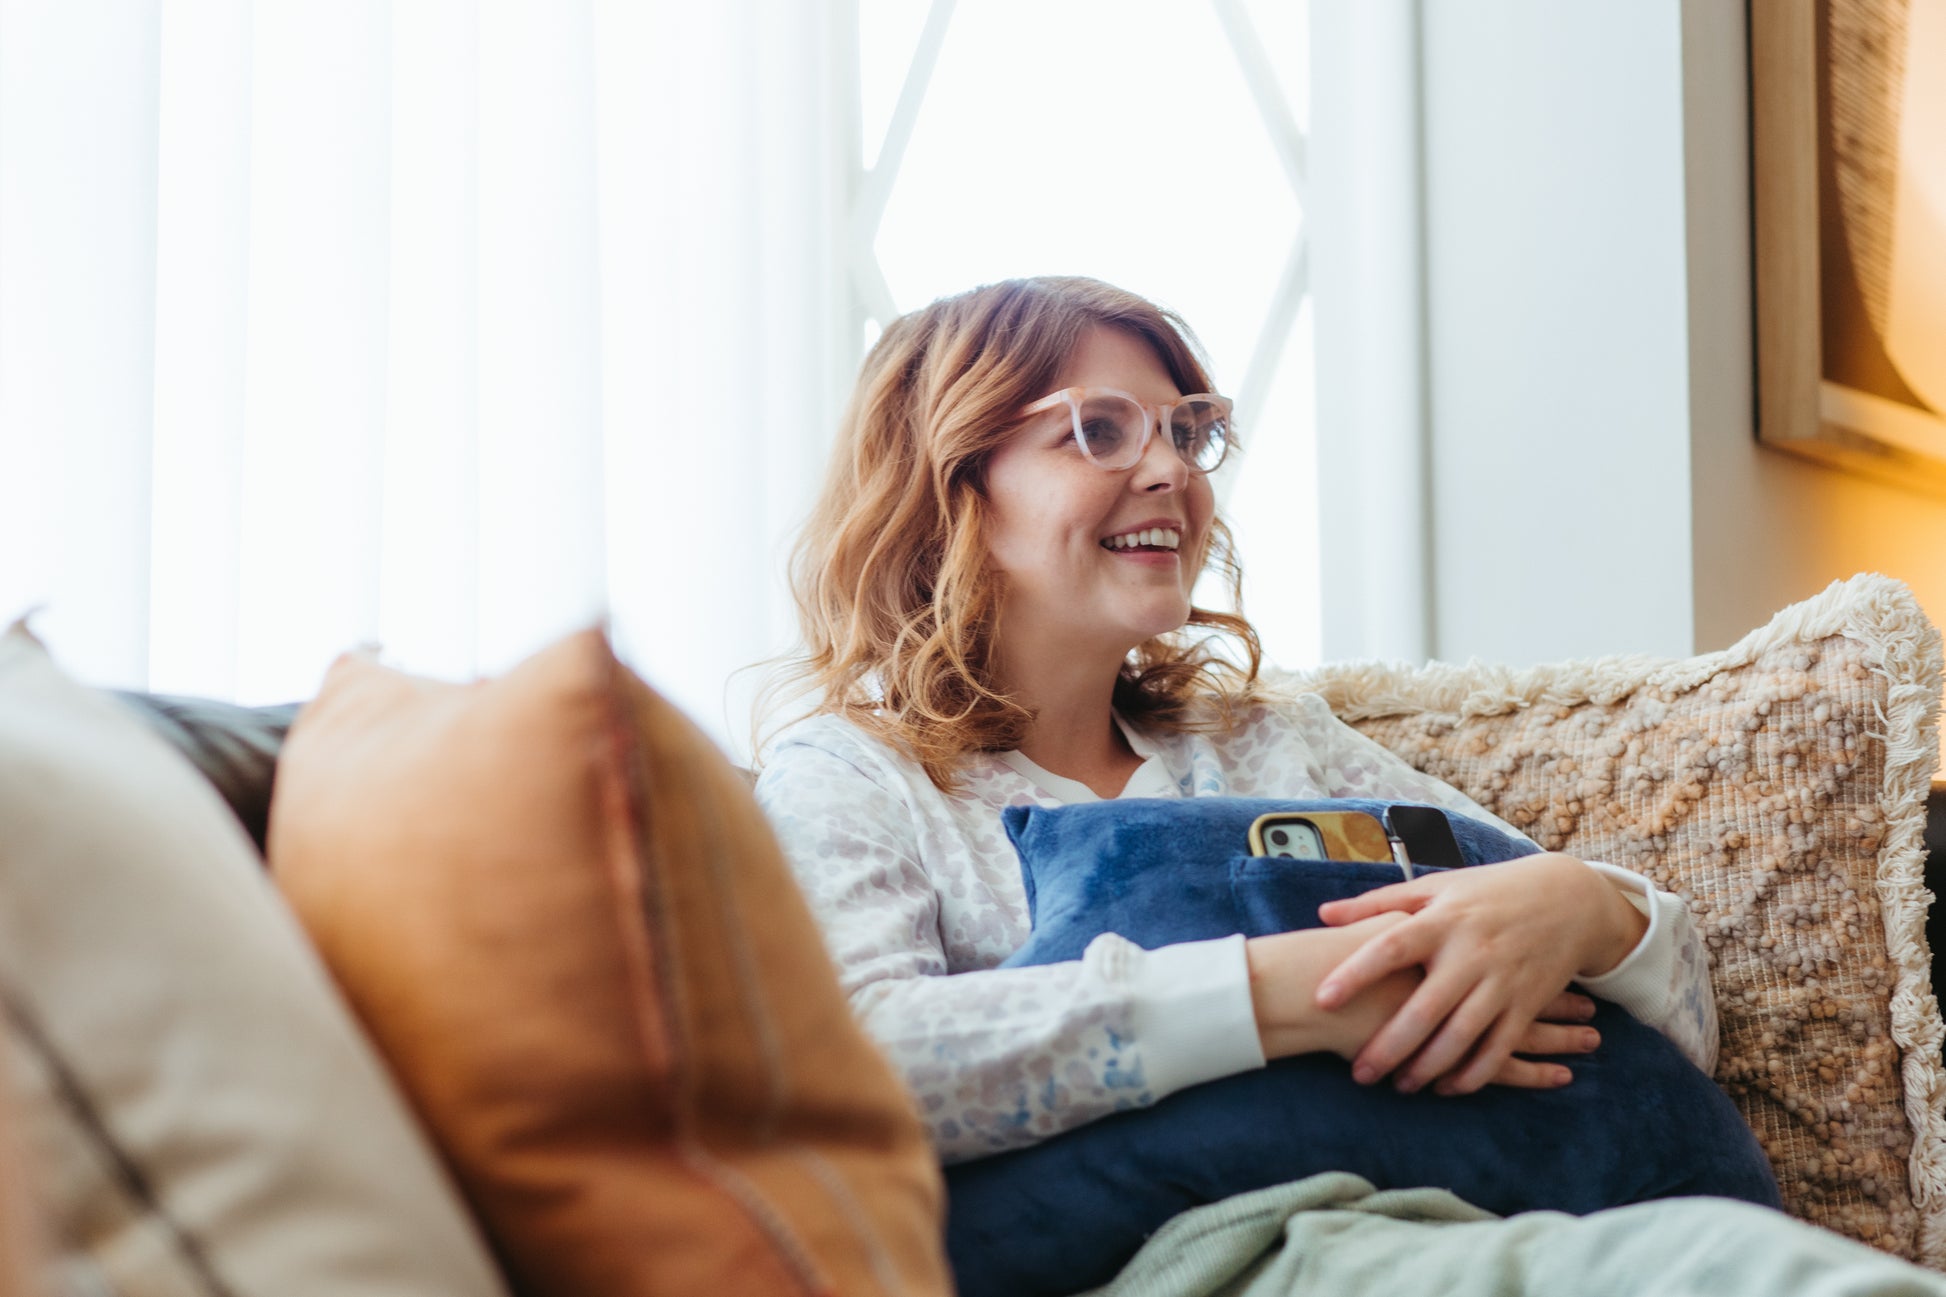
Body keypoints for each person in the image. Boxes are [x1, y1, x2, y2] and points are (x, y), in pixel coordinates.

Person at [754, 276, 1716, 1167]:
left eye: (1187, 431)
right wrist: (1289, 992)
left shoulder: (1271, 741)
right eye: (1098, 430)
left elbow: (1691, 1018)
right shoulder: (850, 777)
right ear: (951, 488)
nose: (1171, 468)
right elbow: (849, 1073)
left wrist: (1584, 909)